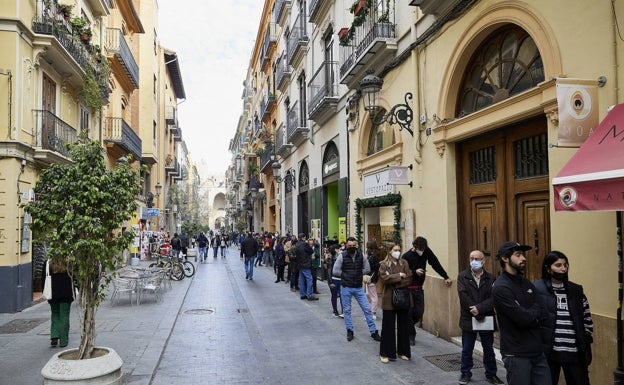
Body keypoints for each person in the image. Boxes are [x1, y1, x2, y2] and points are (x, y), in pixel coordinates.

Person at [492, 241, 550, 385]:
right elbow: (522, 319)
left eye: (523, 254)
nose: (523, 258)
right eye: (518, 255)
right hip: (516, 354)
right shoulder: (501, 287)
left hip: (537, 351)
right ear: (505, 258)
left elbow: (544, 312)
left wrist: (530, 312)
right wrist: (532, 312)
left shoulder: (526, 283)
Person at [534, 251, 593, 385]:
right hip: (549, 352)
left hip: (575, 352)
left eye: (565, 265)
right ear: (548, 269)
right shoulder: (537, 289)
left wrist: (586, 338)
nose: (563, 268)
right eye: (558, 265)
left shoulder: (576, 290)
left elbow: (587, 317)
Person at [457, 250, 504, 385]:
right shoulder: (463, 276)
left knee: (488, 349)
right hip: (468, 317)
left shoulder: (491, 278)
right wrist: (473, 308)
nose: (474, 261)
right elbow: (463, 295)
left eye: (477, 259)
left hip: (486, 318)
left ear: (483, 261)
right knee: (467, 349)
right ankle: (465, 373)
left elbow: (493, 298)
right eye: (472, 258)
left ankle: (491, 374)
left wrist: (480, 309)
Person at [402, 236, 453, 345]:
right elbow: (403, 272)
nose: (422, 251)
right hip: (407, 289)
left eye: (424, 249)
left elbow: (435, 264)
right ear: (415, 247)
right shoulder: (406, 256)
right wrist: (415, 272)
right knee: (409, 312)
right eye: (420, 249)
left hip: (419, 288)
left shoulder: (426, 252)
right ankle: (411, 335)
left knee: (419, 312)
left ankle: (406, 326)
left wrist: (446, 276)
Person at [332, 236, 381, 342]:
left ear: (356, 245)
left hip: (358, 288)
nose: (352, 247)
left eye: (354, 245)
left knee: (367, 310)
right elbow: (335, 271)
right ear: (346, 245)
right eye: (350, 246)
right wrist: (347, 275)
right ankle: (349, 330)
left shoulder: (361, 255)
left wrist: (357, 275)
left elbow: (367, 269)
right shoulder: (342, 256)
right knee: (347, 310)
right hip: (346, 287)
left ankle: (373, 332)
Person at [378, 244, 412, 363]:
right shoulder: (384, 264)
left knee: (403, 326)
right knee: (388, 327)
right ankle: (385, 353)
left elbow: (409, 279)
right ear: (390, 251)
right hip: (389, 299)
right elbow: (384, 279)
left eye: (399, 250)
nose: (398, 252)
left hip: (403, 298)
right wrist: (399, 276)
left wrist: (393, 279)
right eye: (395, 250)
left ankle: (403, 351)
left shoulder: (405, 263)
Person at [43, 258, 74, 348]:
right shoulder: (69, 262)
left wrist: (45, 292)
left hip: (53, 293)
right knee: (64, 315)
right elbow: (74, 277)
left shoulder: (48, 262)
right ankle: (64, 341)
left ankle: (54, 336)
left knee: (55, 314)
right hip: (66, 293)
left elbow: (43, 278)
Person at [295, 233, 318, 301]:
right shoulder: (304, 244)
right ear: (303, 238)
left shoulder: (297, 244)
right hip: (306, 264)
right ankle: (309, 295)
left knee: (302, 280)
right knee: (309, 279)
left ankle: (302, 294)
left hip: (299, 264)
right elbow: (311, 251)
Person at [325, 244, 343, 317]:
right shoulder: (330, 258)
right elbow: (329, 271)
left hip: (341, 279)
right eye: (339, 249)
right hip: (333, 279)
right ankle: (335, 310)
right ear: (336, 250)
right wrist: (330, 282)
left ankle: (343, 311)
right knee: (334, 295)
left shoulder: (341, 257)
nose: (340, 250)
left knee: (342, 295)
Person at [365, 240, 381, 320]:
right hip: (372, 277)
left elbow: (372, 267)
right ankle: (372, 312)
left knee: (373, 296)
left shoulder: (373, 256)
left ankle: (373, 313)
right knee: (370, 295)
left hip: (371, 278)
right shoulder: (374, 255)